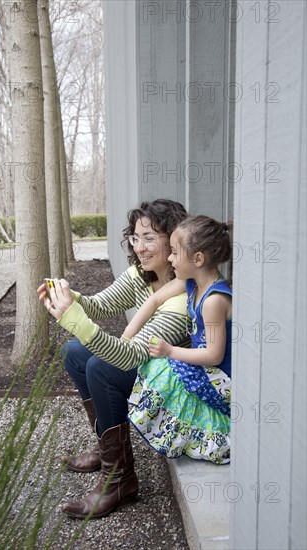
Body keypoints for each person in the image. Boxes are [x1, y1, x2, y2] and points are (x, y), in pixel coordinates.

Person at [37, 199, 189, 519]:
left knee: (101, 366)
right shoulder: (141, 275)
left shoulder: (185, 297)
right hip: (150, 366)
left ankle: (119, 480)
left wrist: (73, 318)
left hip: (178, 386)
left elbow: (130, 354)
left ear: (175, 239)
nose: (141, 247)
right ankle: (107, 449)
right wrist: (70, 296)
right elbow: (101, 306)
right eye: (136, 238)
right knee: (75, 353)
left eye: (150, 238)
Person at [123, 215, 232, 464]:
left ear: (198, 259)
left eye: (174, 253)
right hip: (205, 368)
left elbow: (214, 355)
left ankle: (201, 432)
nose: (169, 259)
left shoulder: (214, 300)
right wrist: (126, 338)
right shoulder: (191, 282)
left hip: (221, 380)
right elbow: (154, 300)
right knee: (153, 364)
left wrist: (170, 351)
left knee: (161, 367)